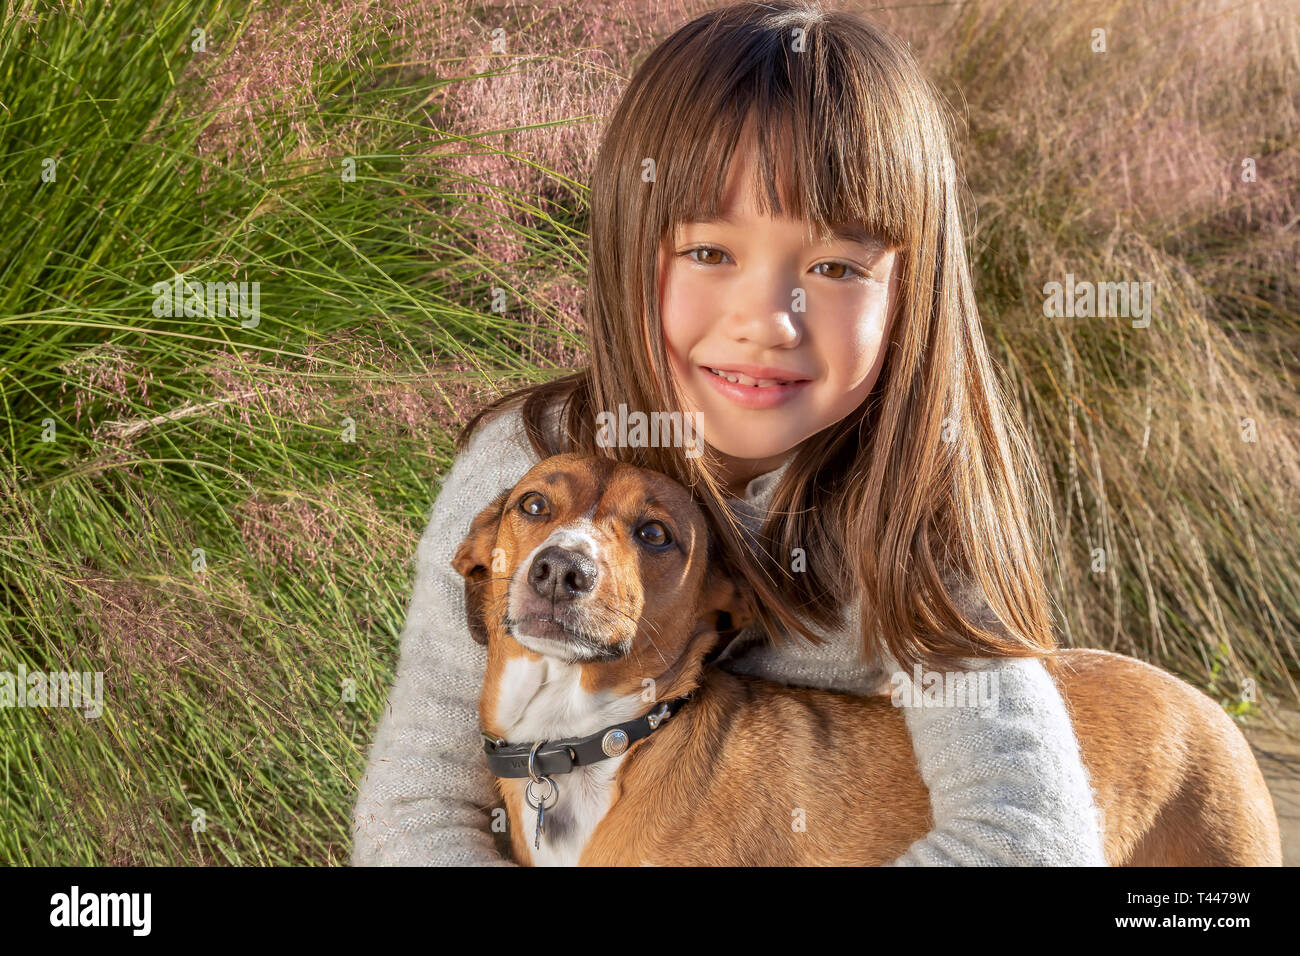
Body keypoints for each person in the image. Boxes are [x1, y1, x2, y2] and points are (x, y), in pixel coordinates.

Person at [352, 0, 1106, 866]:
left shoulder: (914, 513)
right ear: (628, 247)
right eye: (710, 252)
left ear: (914, 295)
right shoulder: (525, 463)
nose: (769, 321)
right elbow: (416, 808)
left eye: (833, 267)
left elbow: (1034, 840)